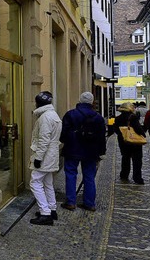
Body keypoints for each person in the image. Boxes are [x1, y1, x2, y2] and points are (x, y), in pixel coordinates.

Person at [60, 91, 107, 212]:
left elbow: (63, 133)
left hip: (72, 149)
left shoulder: (71, 114)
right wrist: (101, 152)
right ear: (92, 102)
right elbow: (102, 137)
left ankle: (71, 202)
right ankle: (89, 203)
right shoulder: (98, 117)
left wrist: (65, 142)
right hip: (91, 151)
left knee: (70, 174)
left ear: (80, 101)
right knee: (89, 177)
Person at [28, 91, 62, 226]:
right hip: (51, 154)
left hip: (45, 155)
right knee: (47, 182)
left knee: (35, 182)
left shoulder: (45, 117)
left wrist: (38, 158)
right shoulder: (53, 115)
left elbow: (44, 140)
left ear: (39, 103)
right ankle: (52, 208)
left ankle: (45, 213)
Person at [113, 102, 146, 185]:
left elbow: (116, 130)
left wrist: (123, 136)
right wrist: (143, 134)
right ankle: (137, 178)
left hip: (124, 142)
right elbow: (137, 128)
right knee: (137, 160)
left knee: (125, 158)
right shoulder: (132, 117)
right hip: (134, 142)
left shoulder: (118, 118)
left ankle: (124, 174)